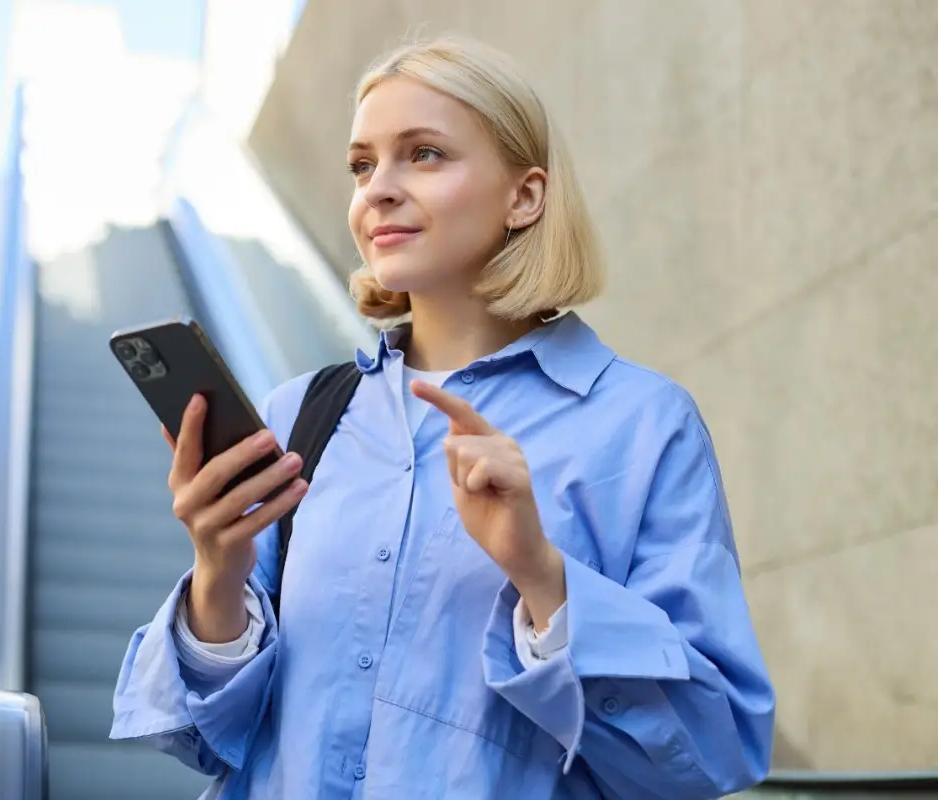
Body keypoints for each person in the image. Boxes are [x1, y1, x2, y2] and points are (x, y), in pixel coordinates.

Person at [111, 35, 775, 799]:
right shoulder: (298, 414)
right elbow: (200, 738)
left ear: (525, 197)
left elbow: (709, 753)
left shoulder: (644, 427)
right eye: (363, 164)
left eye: (423, 154)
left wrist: (543, 578)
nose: (378, 190)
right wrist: (218, 576)